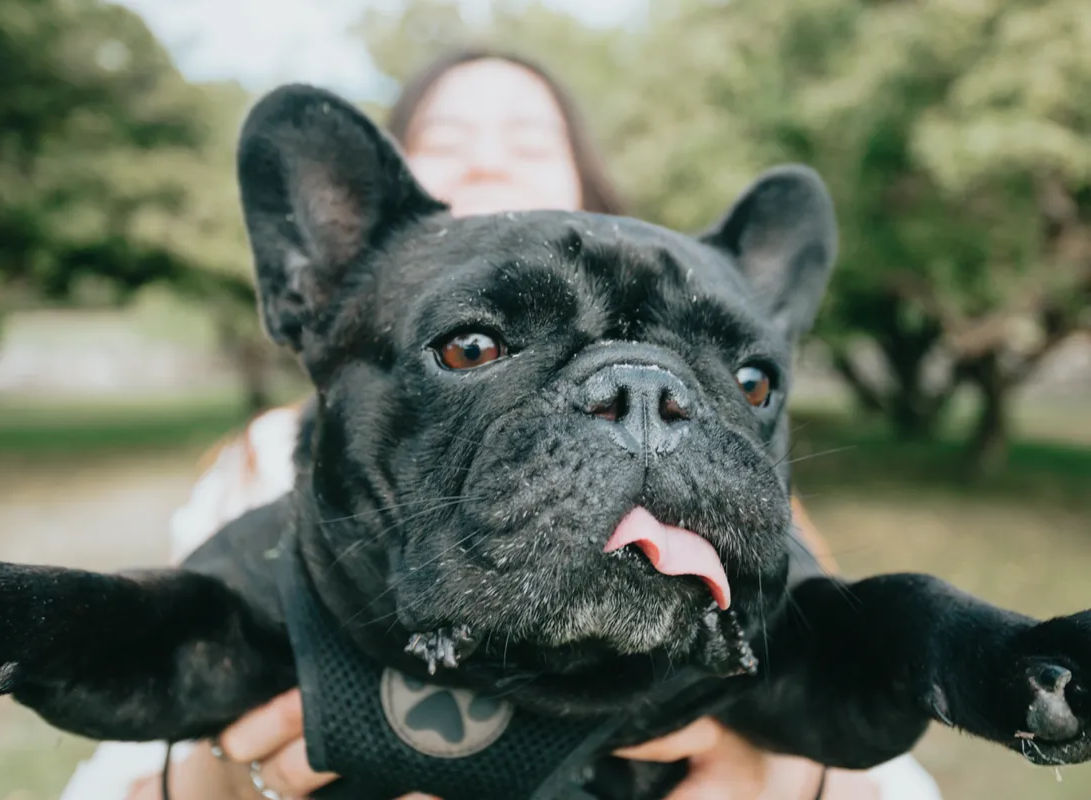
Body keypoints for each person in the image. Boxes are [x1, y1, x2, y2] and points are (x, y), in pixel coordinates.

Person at [60, 49, 942, 800]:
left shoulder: (725, 482)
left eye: (528, 141)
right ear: (355, 226)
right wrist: (213, 782)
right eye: (448, 141)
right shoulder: (256, 469)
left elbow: (887, 753)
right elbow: (118, 753)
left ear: (588, 190)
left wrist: (800, 780)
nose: (488, 162)